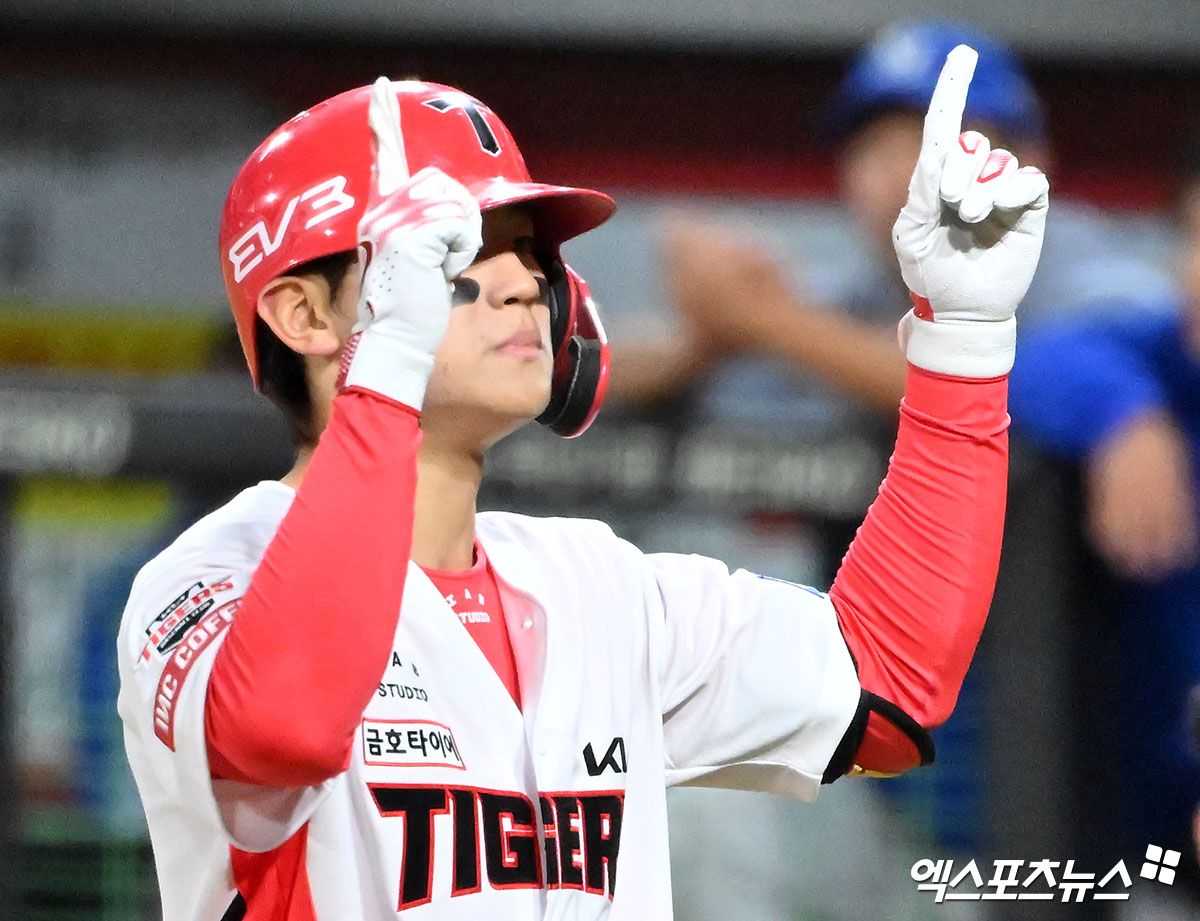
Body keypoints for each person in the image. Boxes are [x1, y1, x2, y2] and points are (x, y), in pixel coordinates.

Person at [117, 55, 1049, 920]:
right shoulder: (205, 583)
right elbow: (287, 726)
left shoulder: (596, 582)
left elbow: (885, 683)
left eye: (525, 248)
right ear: (304, 312)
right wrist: (388, 365)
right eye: (455, 250)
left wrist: (962, 345)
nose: (523, 281)